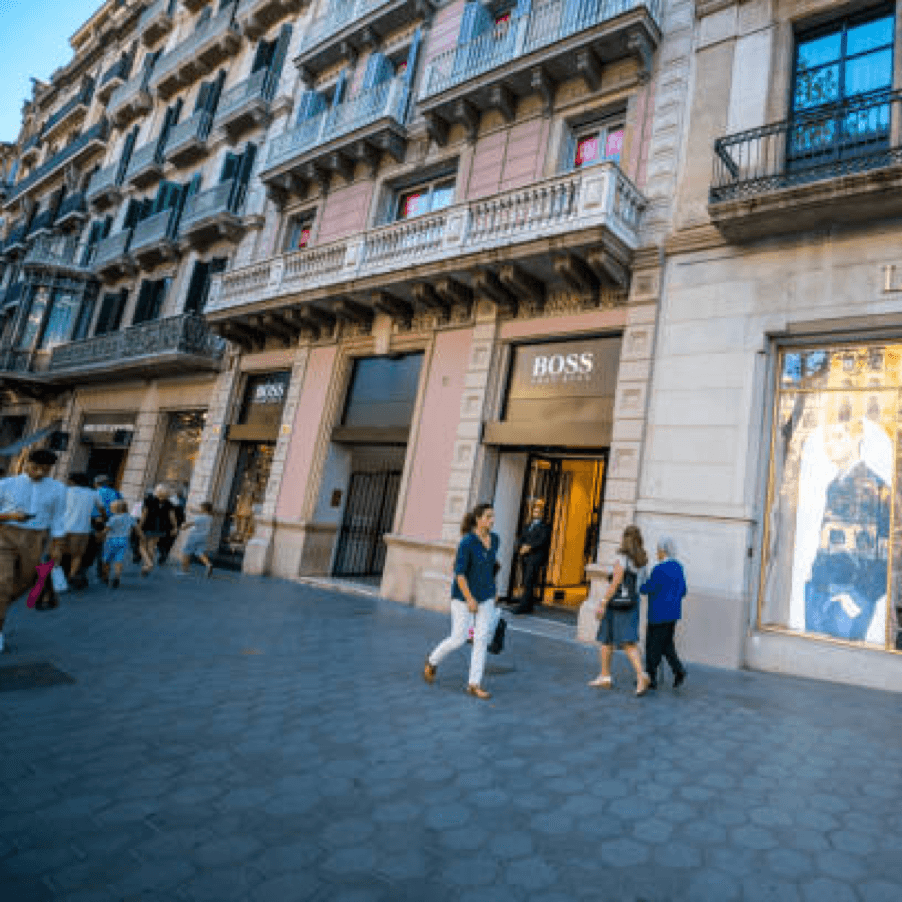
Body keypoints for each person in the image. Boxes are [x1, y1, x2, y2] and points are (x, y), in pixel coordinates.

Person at [423, 503, 500, 700]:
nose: (492, 520)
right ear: (478, 519)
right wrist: (469, 599)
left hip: (486, 596)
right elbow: (459, 574)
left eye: (493, 516)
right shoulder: (467, 542)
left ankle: (474, 684)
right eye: (489, 516)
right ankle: (432, 661)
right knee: (458, 638)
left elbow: (492, 567)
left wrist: (494, 591)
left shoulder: (495, 539)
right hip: (463, 597)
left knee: (481, 640)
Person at [0, 448, 67, 653]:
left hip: (36, 540)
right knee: (2, 583)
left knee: (24, 583)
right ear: (26, 463)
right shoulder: (6, 484)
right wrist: (10, 516)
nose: (39, 472)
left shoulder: (58, 489)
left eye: (45, 470)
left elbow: (58, 519)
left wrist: (57, 547)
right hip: (5, 537)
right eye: (35, 467)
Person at [589, 525, 652, 696]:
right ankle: (605, 676)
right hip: (633, 603)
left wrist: (602, 602)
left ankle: (640, 675)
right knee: (613, 639)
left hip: (616, 604)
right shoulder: (642, 560)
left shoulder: (622, 557)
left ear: (625, 539)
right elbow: (643, 584)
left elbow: (616, 581)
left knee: (620, 641)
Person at [641, 536, 687, 690]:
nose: (656, 553)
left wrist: (640, 584)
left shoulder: (658, 569)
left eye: (658, 550)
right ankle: (678, 670)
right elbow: (683, 591)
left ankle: (650, 678)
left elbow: (649, 588)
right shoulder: (678, 567)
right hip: (673, 614)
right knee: (666, 645)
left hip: (658, 614)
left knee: (652, 645)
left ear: (663, 551)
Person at [63, 473, 104, 588]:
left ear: (72, 481)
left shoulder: (65, 491)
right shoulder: (93, 493)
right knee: (77, 555)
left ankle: (57, 577)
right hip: (82, 530)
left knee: (59, 553)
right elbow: (101, 509)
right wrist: (103, 517)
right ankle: (71, 577)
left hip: (63, 528)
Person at [512, 498, 551, 615]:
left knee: (529, 581)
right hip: (525, 557)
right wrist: (520, 547)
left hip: (535, 557)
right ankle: (528, 605)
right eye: (535, 511)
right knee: (526, 581)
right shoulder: (527, 525)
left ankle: (523, 606)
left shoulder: (545, 527)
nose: (536, 514)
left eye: (538, 512)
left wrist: (529, 547)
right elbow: (521, 538)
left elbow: (542, 541)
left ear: (542, 514)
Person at [138, 484, 178, 576]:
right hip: (160, 528)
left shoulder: (149, 500)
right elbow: (172, 517)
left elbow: (144, 514)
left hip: (147, 526)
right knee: (151, 546)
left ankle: (148, 563)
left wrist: (139, 526)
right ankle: (146, 567)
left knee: (142, 546)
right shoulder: (169, 503)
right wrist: (175, 527)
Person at [101, 499, 136, 589]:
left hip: (111, 540)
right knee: (118, 561)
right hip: (123, 540)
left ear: (116, 509)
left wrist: (100, 534)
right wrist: (142, 536)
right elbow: (136, 528)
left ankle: (105, 577)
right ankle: (117, 577)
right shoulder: (130, 517)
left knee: (106, 560)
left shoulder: (113, 518)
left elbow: (107, 529)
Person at [177, 501, 214, 578]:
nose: (199, 509)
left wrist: (182, 527)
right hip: (204, 537)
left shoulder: (200, 517)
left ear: (204, 509)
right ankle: (208, 564)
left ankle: (184, 571)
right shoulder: (210, 517)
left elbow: (189, 524)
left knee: (186, 552)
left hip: (194, 536)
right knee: (199, 552)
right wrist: (192, 510)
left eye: (200, 507)